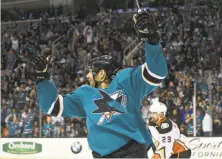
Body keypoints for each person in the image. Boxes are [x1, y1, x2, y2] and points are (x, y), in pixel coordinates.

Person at [26, 10, 168, 158]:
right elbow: (51, 106)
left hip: (132, 153)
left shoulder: (125, 80)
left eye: (90, 71)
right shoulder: (84, 94)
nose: (87, 75)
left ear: (101, 74)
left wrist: (152, 41)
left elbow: (156, 73)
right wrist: (42, 80)